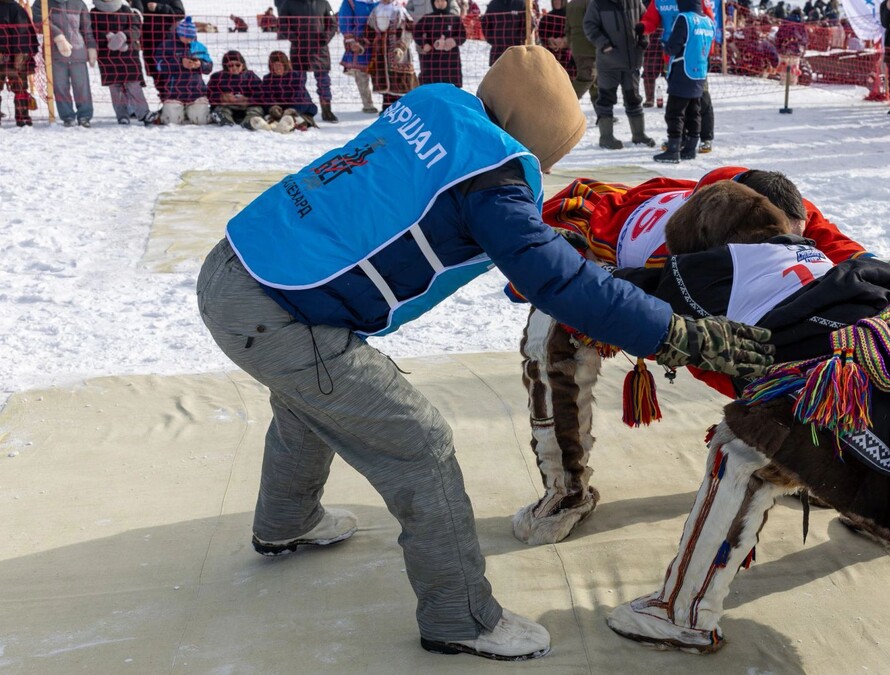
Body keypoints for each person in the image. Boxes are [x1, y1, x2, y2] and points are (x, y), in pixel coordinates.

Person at [195, 45, 773, 663]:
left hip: (237, 266)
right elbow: (563, 283)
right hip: (281, 313)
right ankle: (460, 616)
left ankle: (288, 521)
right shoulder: (493, 183)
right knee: (419, 445)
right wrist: (676, 333)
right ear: (538, 136)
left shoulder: (432, 103)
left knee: (315, 398)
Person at [601, 180, 890, 654]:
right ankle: (887, 521)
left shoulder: (713, 268)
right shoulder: (818, 257)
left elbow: (636, 297)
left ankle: (682, 613)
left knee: (743, 451)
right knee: (839, 408)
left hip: (874, 386)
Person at [640, 0, 718, 152]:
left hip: (695, 57)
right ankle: (679, 138)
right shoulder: (659, 1)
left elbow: (709, 22)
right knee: (678, 101)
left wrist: (707, 50)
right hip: (672, 59)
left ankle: (706, 137)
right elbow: (650, 20)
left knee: (702, 98)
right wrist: (642, 27)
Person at [587, 0, 657, 150]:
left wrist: (644, 39)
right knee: (606, 99)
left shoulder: (635, 2)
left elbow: (646, 21)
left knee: (634, 99)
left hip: (632, 61)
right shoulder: (598, 4)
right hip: (608, 63)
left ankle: (639, 135)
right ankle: (606, 137)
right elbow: (589, 25)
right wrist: (603, 44)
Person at [33, 0, 96, 127]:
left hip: (78, 52)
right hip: (54, 54)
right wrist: (57, 35)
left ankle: (85, 116)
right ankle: (67, 117)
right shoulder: (42, 3)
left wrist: (91, 47)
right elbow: (38, 20)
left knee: (82, 87)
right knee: (60, 87)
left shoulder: (79, 4)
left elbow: (86, 29)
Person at [278, 0, 339, 123]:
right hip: (299, 49)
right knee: (298, 82)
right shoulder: (288, 4)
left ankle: (327, 110)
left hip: (320, 50)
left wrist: (326, 36)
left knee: (324, 83)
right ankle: (301, 110)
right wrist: (294, 38)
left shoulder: (323, 3)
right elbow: (282, 23)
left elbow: (332, 24)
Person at [91, 0, 149, 125]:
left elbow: (135, 28)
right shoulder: (94, 12)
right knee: (115, 86)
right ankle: (122, 115)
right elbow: (91, 31)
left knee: (134, 84)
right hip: (107, 55)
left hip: (128, 53)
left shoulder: (125, 9)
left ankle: (143, 113)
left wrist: (125, 36)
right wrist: (107, 36)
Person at [147, 15, 210, 125]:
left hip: (196, 92)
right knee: (172, 121)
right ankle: (166, 112)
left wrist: (200, 65)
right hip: (174, 92)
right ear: (179, 34)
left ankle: (189, 111)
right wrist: (180, 63)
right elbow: (159, 66)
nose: (189, 40)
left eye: (191, 37)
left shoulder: (200, 47)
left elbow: (209, 66)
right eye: (186, 37)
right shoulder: (166, 46)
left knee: (201, 120)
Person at [366, 0, 418, 109]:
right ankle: (386, 107)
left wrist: (401, 47)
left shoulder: (399, 10)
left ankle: (401, 108)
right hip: (381, 52)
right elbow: (369, 30)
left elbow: (408, 31)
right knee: (385, 81)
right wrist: (368, 42)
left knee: (399, 81)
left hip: (397, 51)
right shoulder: (376, 11)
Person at [130, 0, 183, 95]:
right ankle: (165, 102)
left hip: (168, 43)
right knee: (156, 75)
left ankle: (176, 103)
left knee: (171, 74)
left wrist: (159, 7)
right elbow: (134, 16)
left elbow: (180, 13)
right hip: (148, 43)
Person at [257, 49, 318, 128]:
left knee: (301, 110)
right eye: (274, 66)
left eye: (280, 65)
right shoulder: (268, 79)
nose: (277, 68)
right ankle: (273, 123)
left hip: (299, 107)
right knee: (267, 111)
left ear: (285, 65)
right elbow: (267, 96)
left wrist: (291, 110)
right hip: (280, 109)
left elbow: (299, 97)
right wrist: (272, 107)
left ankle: (301, 122)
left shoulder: (296, 76)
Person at [0, 0, 39, 127]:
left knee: (20, 87)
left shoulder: (16, 8)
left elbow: (23, 33)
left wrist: (21, 54)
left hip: (15, 57)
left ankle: (23, 117)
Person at [338, 0, 381, 114]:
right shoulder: (350, 2)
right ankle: (368, 104)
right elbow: (344, 21)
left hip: (379, 43)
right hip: (360, 43)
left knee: (381, 73)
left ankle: (387, 103)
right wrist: (350, 41)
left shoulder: (380, 2)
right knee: (361, 74)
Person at [207, 50, 266, 129]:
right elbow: (209, 93)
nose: (234, 68)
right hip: (227, 106)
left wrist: (248, 100)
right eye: (231, 65)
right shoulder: (217, 77)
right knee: (219, 110)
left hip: (246, 106)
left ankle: (249, 122)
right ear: (225, 66)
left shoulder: (251, 76)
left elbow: (261, 93)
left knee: (256, 109)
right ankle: (227, 122)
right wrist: (221, 97)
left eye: (237, 65)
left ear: (243, 65)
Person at [415, 0, 466, 87]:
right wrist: (424, 44)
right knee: (431, 86)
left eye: (442, 1)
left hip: (450, 60)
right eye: (437, 1)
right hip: (431, 60)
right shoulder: (427, 18)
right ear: (433, 3)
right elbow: (416, 33)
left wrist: (453, 41)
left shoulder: (455, 19)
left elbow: (462, 35)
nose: (440, 4)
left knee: (450, 87)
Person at [566, 0, 599, 101]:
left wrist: (571, 44)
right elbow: (593, 24)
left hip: (578, 46)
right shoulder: (590, 3)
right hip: (589, 47)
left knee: (596, 81)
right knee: (587, 77)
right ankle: (566, 101)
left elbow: (567, 29)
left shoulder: (571, 4)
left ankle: (603, 114)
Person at [481, 0, 528, 65]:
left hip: (516, 50)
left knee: (516, 74)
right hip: (497, 52)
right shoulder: (493, 4)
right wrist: (492, 39)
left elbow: (528, 24)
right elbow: (485, 23)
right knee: (497, 74)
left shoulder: (521, 4)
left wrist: (519, 39)